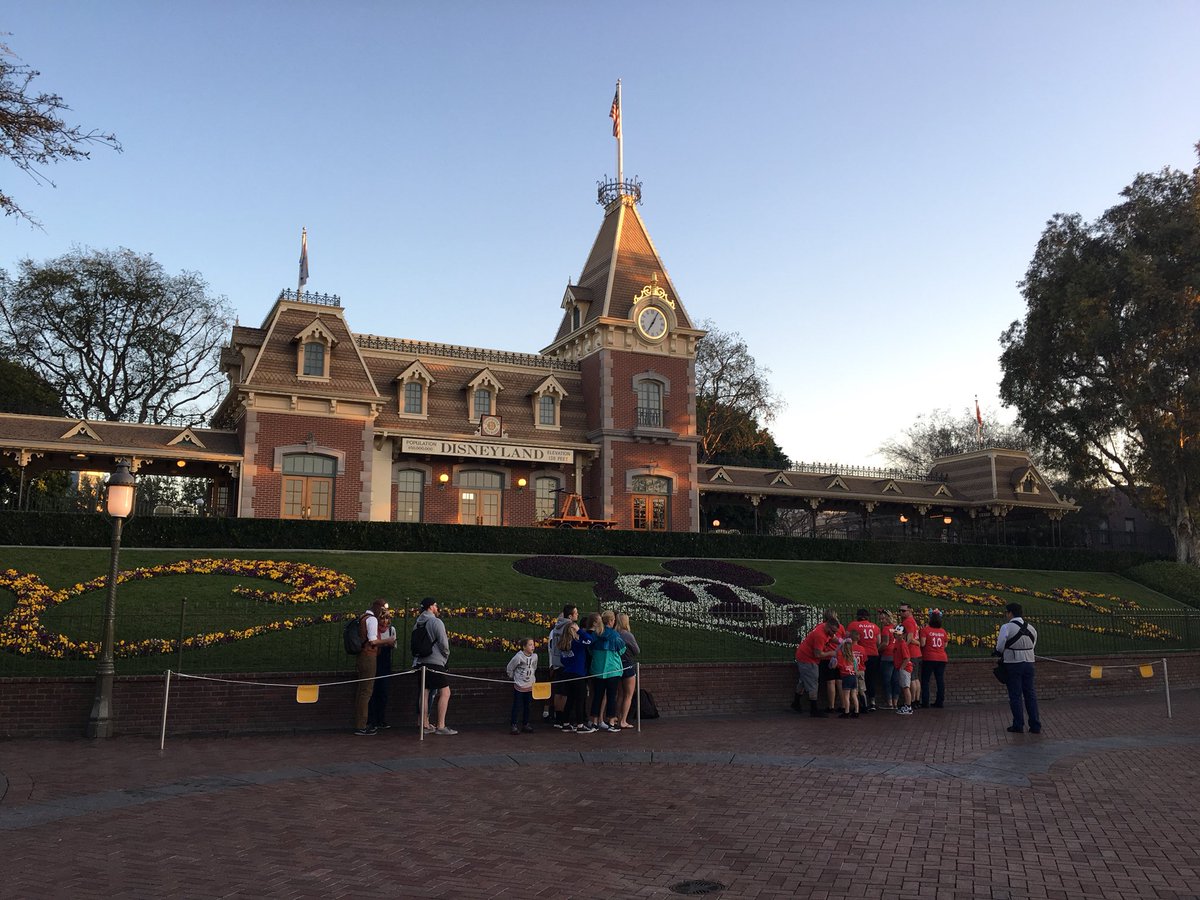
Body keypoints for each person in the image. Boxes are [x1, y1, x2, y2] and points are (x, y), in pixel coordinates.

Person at [413, 597, 457, 735]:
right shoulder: (436, 622)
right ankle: (441, 725)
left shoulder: (417, 623)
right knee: (445, 692)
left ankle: (424, 725)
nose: (437, 608)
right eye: (436, 606)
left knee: (424, 692)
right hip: (435, 661)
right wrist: (445, 655)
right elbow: (444, 644)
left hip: (421, 661)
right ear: (431, 607)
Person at [996, 602, 1040, 734]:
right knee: (1030, 694)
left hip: (1013, 663)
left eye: (1006, 612)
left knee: (1015, 695)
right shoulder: (1031, 628)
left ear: (1010, 613)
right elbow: (1033, 644)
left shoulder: (1006, 627)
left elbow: (1000, 646)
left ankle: (1018, 724)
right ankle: (1035, 725)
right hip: (1029, 662)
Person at [353, 598, 389, 736]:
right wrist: (388, 640)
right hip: (369, 656)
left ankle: (359, 722)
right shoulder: (372, 619)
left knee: (361, 690)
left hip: (361, 656)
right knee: (367, 691)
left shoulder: (363, 616)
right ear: (378, 608)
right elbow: (373, 640)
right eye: (383, 609)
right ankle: (362, 725)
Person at [587, 612, 627, 732]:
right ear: (611, 621)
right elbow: (622, 650)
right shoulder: (615, 635)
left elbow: (590, 649)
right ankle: (611, 722)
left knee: (597, 696)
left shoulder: (595, 634)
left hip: (597, 670)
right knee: (611, 697)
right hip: (613, 670)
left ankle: (594, 722)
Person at [793, 617, 840, 718]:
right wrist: (831, 653)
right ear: (828, 626)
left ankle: (796, 703)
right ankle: (813, 709)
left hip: (803, 656)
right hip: (808, 659)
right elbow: (818, 654)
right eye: (832, 631)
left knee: (803, 680)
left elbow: (833, 638)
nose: (833, 634)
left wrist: (841, 641)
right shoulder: (820, 636)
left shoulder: (824, 628)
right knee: (813, 682)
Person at [546, 604, 578, 727]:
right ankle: (565, 719)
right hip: (566, 661)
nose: (577, 615)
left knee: (558, 691)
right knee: (565, 692)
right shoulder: (570, 626)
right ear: (570, 616)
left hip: (556, 661)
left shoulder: (556, 627)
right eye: (576, 613)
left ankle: (558, 718)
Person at [366, 605, 397, 730]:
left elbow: (394, 644)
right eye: (383, 619)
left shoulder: (391, 630)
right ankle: (371, 719)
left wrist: (387, 643)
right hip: (375, 661)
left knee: (383, 692)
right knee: (372, 692)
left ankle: (381, 718)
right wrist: (386, 642)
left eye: (387, 619)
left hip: (385, 663)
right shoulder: (374, 629)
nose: (385, 622)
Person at [558, 620, 593, 733]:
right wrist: (580, 631)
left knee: (570, 699)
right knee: (579, 699)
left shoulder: (563, 645)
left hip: (567, 673)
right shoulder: (577, 644)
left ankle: (565, 723)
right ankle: (580, 724)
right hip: (578, 674)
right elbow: (590, 640)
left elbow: (563, 660)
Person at [506, 637, 538, 734]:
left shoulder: (535, 657)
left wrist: (533, 678)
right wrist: (512, 677)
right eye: (530, 645)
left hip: (529, 685)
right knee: (517, 705)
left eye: (533, 645)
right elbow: (510, 667)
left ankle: (526, 724)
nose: (532, 647)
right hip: (520, 685)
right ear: (524, 647)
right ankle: (514, 724)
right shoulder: (518, 657)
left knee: (528, 705)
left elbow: (534, 667)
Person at [614, 612, 640, 729]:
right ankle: (623, 720)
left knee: (620, 694)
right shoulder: (628, 635)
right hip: (627, 664)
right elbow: (636, 650)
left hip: (616, 665)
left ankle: (617, 717)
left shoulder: (614, 634)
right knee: (628, 695)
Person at [919, 609, 949, 708]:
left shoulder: (925, 630)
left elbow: (922, 643)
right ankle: (940, 701)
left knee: (926, 680)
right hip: (942, 657)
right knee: (940, 680)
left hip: (929, 657)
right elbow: (945, 645)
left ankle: (925, 702)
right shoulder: (943, 631)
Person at [852, 609, 879, 711]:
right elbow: (878, 641)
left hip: (859, 654)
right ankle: (872, 701)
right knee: (871, 679)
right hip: (873, 654)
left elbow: (848, 637)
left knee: (859, 679)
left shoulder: (853, 625)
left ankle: (860, 703)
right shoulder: (875, 626)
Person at [899, 603, 922, 710]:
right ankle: (916, 700)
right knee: (916, 678)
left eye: (903, 611)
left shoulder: (908, 622)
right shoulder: (913, 621)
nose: (901, 613)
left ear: (909, 611)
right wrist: (918, 643)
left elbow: (909, 638)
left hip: (911, 653)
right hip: (917, 652)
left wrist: (903, 647)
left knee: (912, 678)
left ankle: (912, 701)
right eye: (900, 610)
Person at [891, 620, 913, 715]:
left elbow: (907, 658)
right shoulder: (898, 643)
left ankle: (908, 707)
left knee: (906, 687)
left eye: (899, 634)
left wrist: (902, 668)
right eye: (896, 634)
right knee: (904, 687)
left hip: (904, 668)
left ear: (903, 635)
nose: (897, 636)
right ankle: (906, 705)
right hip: (901, 667)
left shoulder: (903, 644)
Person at [836, 634, 860, 719]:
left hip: (846, 676)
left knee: (846, 695)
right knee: (854, 695)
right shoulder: (852, 657)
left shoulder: (842, 656)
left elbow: (839, 666)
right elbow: (856, 666)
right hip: (853, 676)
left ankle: (847, 711)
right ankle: (857, 711)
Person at [877, 611, 896, 709]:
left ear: (887, 618)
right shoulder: (895, 627)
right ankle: (895, 702)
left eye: (882, 618)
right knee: (895, 680)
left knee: (887, 681)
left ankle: (889, 703)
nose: (881, 621)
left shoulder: (885, 629)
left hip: (887, 656)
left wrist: (877, 650)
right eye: (880, 619)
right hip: (896, 655)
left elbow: (885, 643)